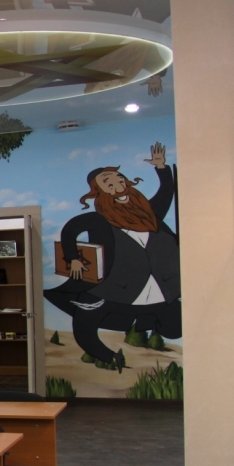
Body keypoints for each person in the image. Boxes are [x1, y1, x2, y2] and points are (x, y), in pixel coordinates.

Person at [44, 142, 180, 372]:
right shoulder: (99, 220)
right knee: (86, 323)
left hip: (160, 288)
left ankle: (146, 328)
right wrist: (73, 258)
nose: (117, 184)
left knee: (174, 329)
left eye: (119, 178)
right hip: (117, 288)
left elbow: (167, 191)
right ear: (100, 191)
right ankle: (108, 356)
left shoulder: (149, 213)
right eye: (108, 182)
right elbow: (70, 230)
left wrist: (161, 167)